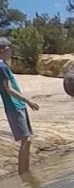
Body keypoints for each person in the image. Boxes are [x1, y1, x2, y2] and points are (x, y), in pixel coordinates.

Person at [1, 36, 42, 176]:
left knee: (28, 139)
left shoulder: (3, 66)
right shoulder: (1, 66)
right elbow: (8, 89)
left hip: (18, 105)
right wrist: (28, 101)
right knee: (25, 139)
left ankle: (26, 172)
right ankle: (23, 173)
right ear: (2, 49)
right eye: (9, 48)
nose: (10, 50)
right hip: (15, 106)